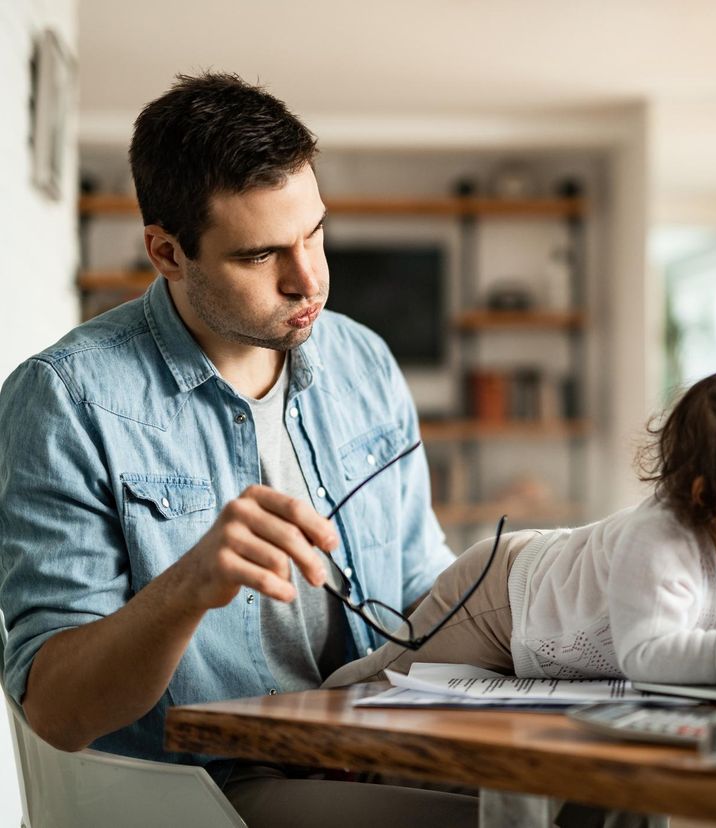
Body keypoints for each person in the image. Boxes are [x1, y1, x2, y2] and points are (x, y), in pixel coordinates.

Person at [0, 72, 477, 827]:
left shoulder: (365, 362)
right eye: (260, 256)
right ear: (167, 253)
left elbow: (422, 593)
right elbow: (55, 711)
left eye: (314, 232)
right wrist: (185, 589)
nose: (308, 278)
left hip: (376, 752)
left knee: (594, 806)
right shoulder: (65, 399)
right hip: (201, 789)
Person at [327, 340, 716, 690]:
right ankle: (306, 726)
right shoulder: (661, 541)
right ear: (708, 496)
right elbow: (648, 653)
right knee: (390, 678)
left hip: (543, 634)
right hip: (504, 597)